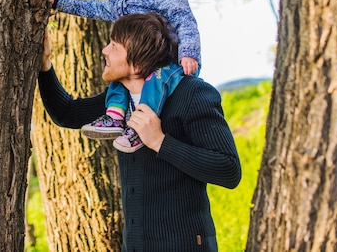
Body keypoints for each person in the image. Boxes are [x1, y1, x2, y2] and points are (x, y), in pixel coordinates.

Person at [38, 13, 241, 251]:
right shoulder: (118, 102)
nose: (104, 51)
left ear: (136, 65)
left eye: (114, 46)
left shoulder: (193, 93)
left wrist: (160, 141)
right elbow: (66, 113)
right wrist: (45, 65)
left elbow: (228, 170)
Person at [49, 0, 201, 152]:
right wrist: (58, 2)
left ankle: (140, 125)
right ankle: (115, 116)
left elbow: (185, 21)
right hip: (139, 63)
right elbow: (92, 7)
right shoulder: (120, 3)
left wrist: (189, 54)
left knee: (156, 82)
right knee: (119, 78)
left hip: (169, 62)